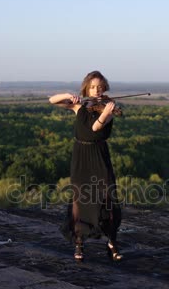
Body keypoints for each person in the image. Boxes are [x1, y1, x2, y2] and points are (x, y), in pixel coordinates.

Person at [49, 70, 123, 262]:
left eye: (100, 87)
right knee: (80, 201)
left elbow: (96, 129)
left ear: (104, 88)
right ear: (87, 88)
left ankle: (111, 241)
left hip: (99, 155)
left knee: (107, 197)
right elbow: (52, 100)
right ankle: (79, 242)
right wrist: (67, 95)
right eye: (92, 87)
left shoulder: (109, 108)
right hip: (81, 156)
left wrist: (106, 112)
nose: (96, 90)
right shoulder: (79, 105)